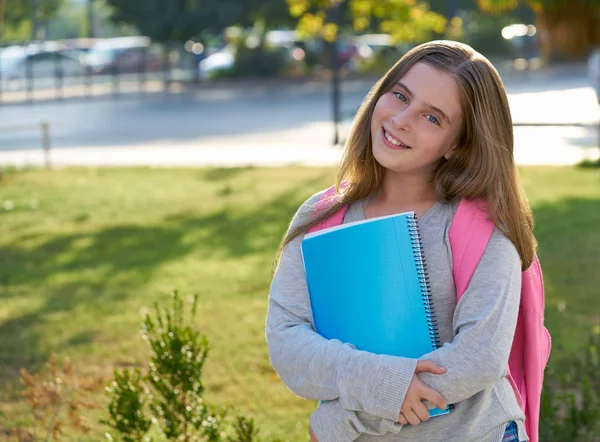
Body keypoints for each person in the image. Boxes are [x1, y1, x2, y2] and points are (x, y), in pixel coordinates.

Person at [266, 40, 536, 442]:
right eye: (400, 96)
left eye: (432, 117)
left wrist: (347, 421)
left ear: (457, 144)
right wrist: (382, 385)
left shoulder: (482, 228)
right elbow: (287, 336)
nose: (402, 119)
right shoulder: (320, 216)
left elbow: (478, 357)